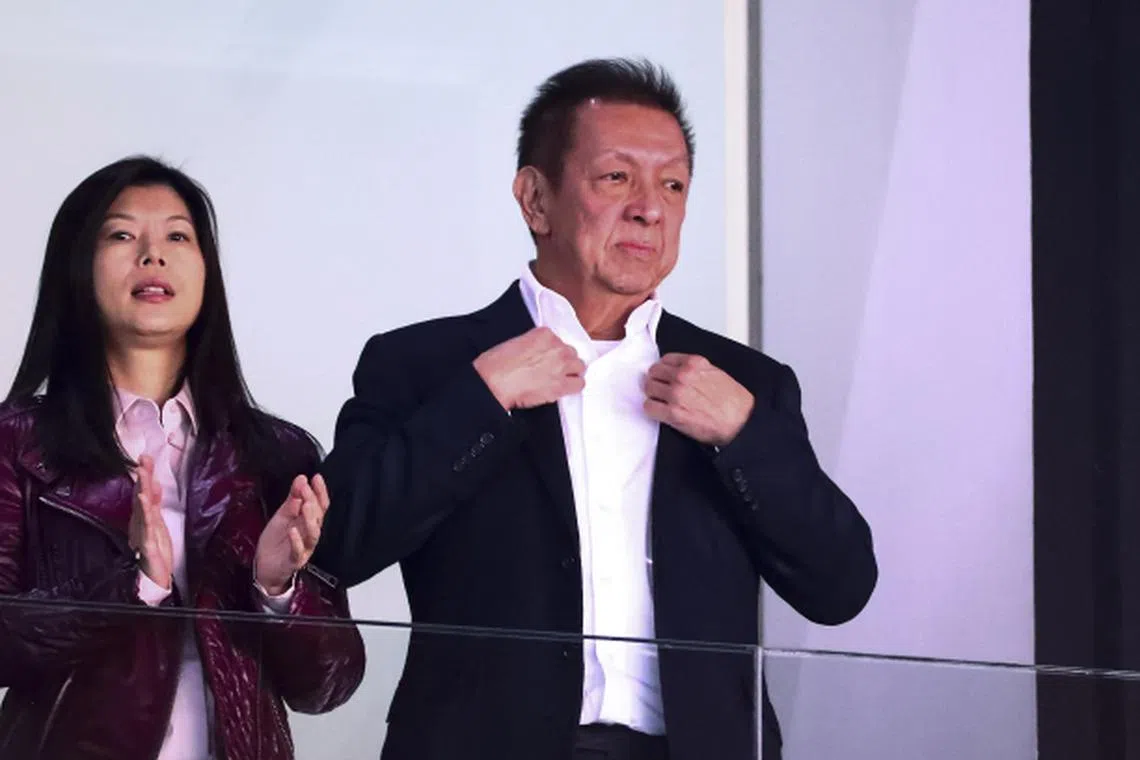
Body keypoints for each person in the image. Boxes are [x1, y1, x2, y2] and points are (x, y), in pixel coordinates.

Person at [314, 58, 876, 760]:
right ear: (535, 199)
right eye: (617, 178)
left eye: (672, 185)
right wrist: (478, 402)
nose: (650, 207)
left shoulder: (746, 385)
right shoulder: (424, 366)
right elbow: (334, 547)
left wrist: (743, 436)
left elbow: (842, 586)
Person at [0, 156, 366, 759]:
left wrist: (277, 587)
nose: (153, 255)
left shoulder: (276, 455)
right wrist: (133, 585)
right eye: (122, 235)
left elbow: (329, 686)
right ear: (77, 266)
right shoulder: (16, 442)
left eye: (178, 235)